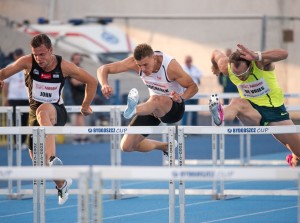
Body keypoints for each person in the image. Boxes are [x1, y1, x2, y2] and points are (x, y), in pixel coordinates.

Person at [0, 33, 98, 205]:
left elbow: (92, 81)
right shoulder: (27, 62)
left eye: (42, 54)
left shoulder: (64, 66)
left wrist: (85, 105)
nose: (39, 58)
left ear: (51, 50)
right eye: (36, 54)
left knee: (43, 111)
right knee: (38, 161)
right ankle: (62, 183)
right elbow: (4, 73)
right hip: (33, 113)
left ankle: (53, 158)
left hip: (56, 111)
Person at [97, 43, 198, 156]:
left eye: (146, 64)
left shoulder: (171, 67)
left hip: (174, 108)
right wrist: (104, 84)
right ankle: (164, 146)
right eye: (140, 65)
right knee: (126, 146)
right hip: (151, 108)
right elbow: (103, 68)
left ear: (154, 58)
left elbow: (193, 87)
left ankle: (134, 109)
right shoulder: (134, 63)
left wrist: (181, 98)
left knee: (156, 99)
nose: (143, 69)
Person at [209, 43, 300, 167]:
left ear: (250, 66)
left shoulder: (260, 64)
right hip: (252, 111)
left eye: (242, 74)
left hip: (275, 113)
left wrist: (258, 56)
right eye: (236, 75)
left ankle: (294, 160)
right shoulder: (226, 67)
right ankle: (220, 114)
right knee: (237, 102)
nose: (240, 77)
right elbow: (215, 52)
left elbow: (284, 53)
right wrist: (215, 66)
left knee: (298, 153)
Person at [2, 48, 29, 147]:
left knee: (25, 120)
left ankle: (22, 142)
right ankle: (15, 142)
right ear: (14, 56)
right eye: (16, 56)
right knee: (14, 120)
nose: (18, 57)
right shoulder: (10, 66)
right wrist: (6, 98)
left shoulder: (29, 66)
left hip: (26, 98)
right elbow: (6, 84)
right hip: (13, 97)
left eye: (20, 55)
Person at [66, 53, 90, 144]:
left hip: (83, 94)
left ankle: (82, 137)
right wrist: (83, 80)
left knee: (81, 117)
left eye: (79, 59)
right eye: (76, 59)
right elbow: (75, 82)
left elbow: (87, 80)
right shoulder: (70, 70)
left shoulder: (81, 69)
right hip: (74, 96)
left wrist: (84, 80)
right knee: (78, 117)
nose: (77, 61)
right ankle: (78, 137)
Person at [181, 55, 202, 125]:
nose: (188, 62)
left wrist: (192, 76)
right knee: (185, 111)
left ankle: (194, 128)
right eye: (187, 61)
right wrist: (193, 76)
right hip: (186, 93)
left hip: (195, 94)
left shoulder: (194, 68)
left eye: (190, 61)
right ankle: (183, 129)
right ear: (185, 61)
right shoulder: (182, 68)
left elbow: (200, 74)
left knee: (195, 111)